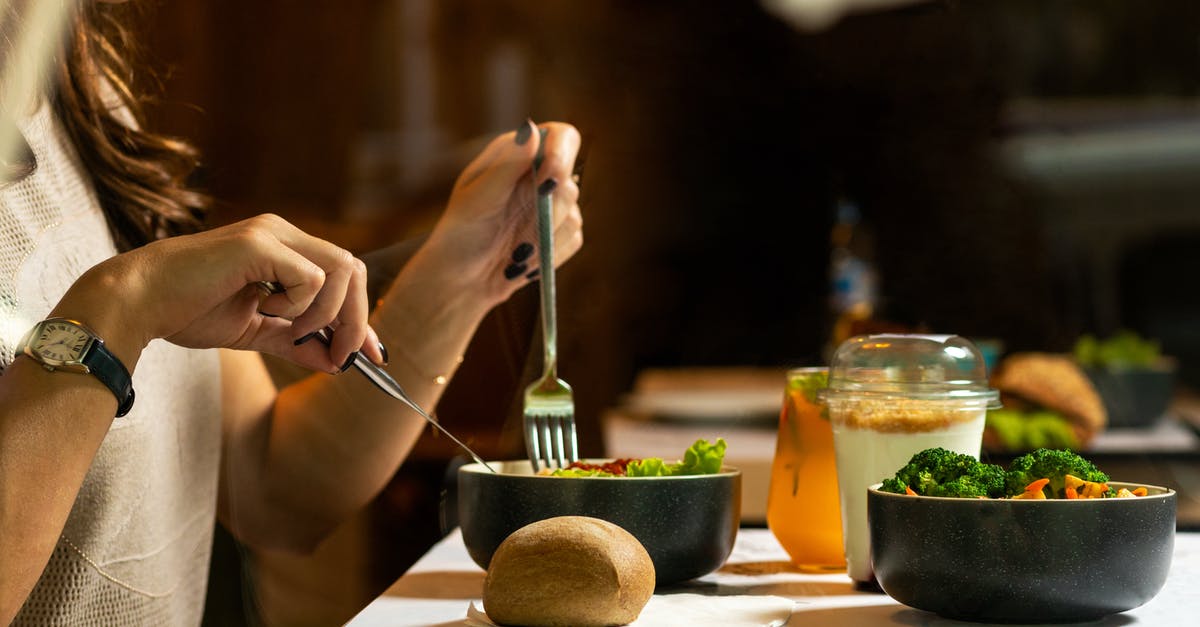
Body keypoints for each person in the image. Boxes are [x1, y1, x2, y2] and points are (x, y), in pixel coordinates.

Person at [0, 1, 583, 624]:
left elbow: (271, 482)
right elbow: (121, 307)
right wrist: (117, 310)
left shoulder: (73, 91)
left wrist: (467, 271)